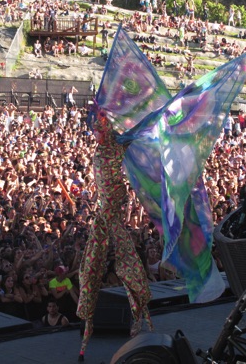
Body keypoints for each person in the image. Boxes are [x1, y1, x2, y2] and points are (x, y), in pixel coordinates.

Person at [77, 112, 153, 362]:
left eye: (99, 130)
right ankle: (87, 332)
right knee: (90, 271)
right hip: (103, 219)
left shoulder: (117, 146)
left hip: (112, 219)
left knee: (128, 266)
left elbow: (140, 128)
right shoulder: (99, 152)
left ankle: (140, 316)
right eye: (95, 130)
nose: (96, 134)